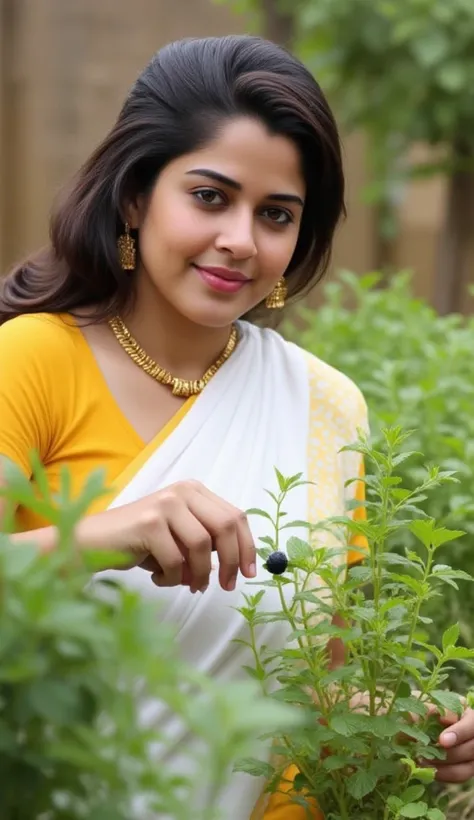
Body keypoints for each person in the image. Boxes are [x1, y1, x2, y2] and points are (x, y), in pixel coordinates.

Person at [0, 34, 473, 820]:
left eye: (277, 214)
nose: (241, 242)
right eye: (210, 196)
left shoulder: (324, 405)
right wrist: (115, 532)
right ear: (134, 195)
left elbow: (323, 680)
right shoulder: (32, 361)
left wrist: (418, 724)